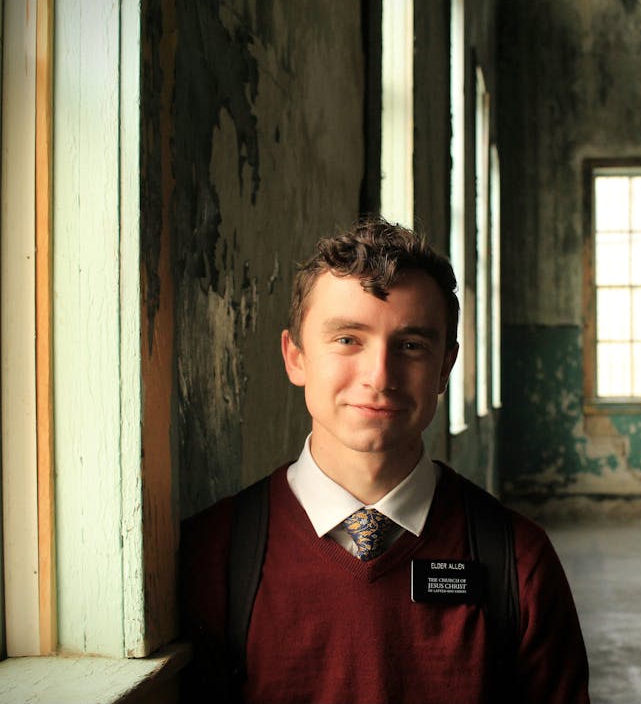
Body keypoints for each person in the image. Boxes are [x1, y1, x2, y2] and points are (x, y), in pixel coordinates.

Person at [180, 217, 590, 703]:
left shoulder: (518, 561)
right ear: (296, 357)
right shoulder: (214, 553)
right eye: (348, 339)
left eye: (411, 346)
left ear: (445, 367)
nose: (380, 375)